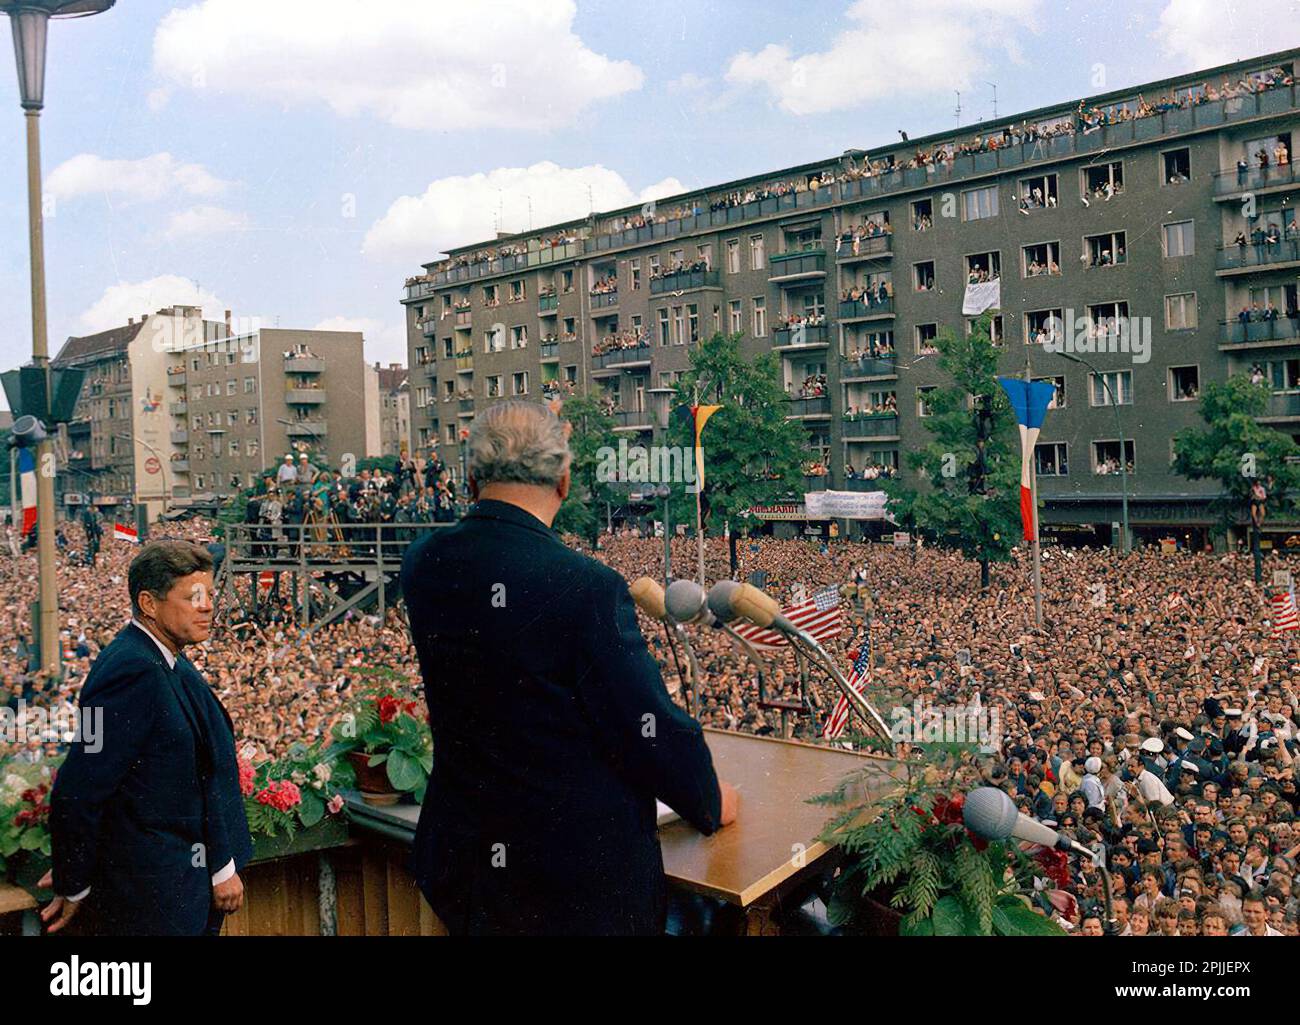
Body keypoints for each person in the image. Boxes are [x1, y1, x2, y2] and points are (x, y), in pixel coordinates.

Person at [401, 400, 737, 935]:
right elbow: (643, 726)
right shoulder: (584, 586)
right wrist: (708, 797)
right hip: (571, 887)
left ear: (470, 478)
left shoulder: (424, 562)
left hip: (465, 865)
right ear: (563, 479)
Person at [42, 541, 252, 935]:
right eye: (193, 597)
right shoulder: (128, 670)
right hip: (155, 902)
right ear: (149, 604)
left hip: (178, 891)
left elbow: (200, 764)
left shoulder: (166, 655)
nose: (208, 606)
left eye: (209, 595)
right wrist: (74, 880)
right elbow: (80, 785)